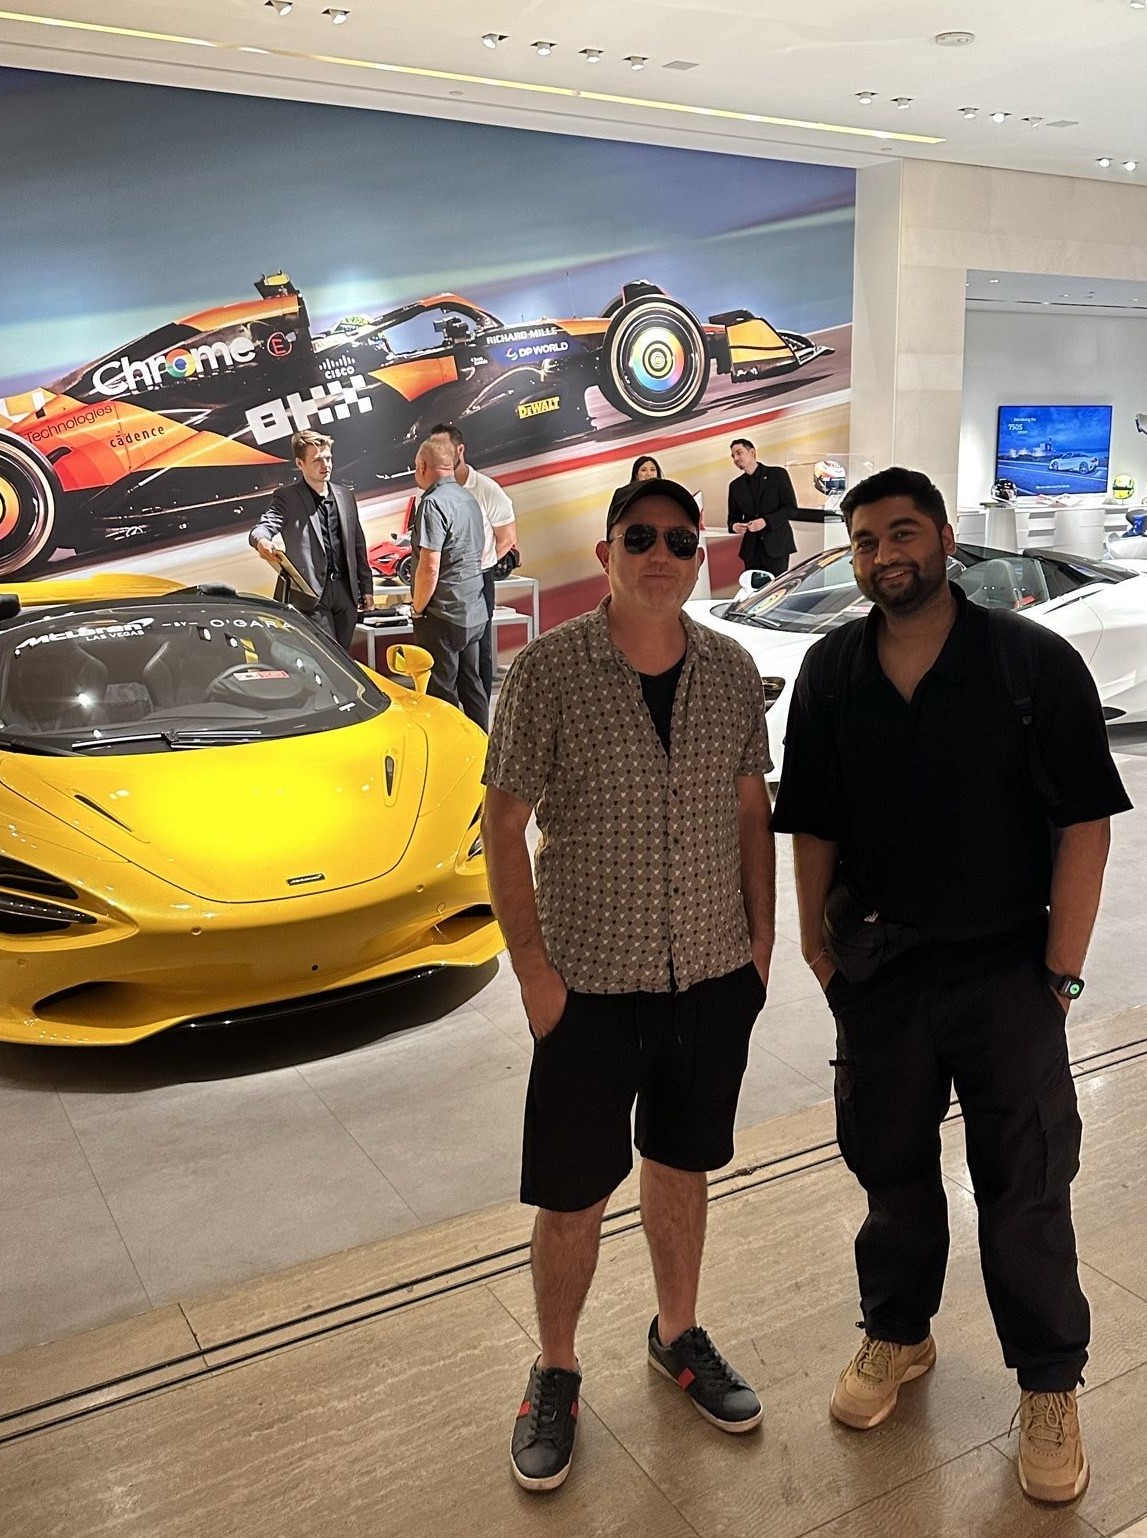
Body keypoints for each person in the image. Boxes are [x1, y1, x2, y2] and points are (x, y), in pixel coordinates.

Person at [772, 466, 1131, 1506]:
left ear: (943, 539)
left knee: (1025, 1186)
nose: (886, 554)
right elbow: (815, 823)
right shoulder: (834, 671)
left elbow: (1085, 825)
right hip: (880, 969)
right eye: (866, 540)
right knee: (888, 1168)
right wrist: (816, 947)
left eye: (903, 532)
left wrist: (1062, 969)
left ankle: (1052, 1386)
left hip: (1007, 966)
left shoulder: (1031, 665)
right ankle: (898, 1332)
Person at [483, 475, 776, 1493]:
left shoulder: (734, 672)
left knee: (682, 1165)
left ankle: (678, 1332)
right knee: (572, 1194)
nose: (662, 553)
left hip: (708, 971)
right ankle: (556, 1367)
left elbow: (751, 813)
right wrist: (531, 971)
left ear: (701, 558)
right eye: (641, 536)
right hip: (588, 982)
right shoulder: (548, 671)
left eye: (681, 541)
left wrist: (761, 948)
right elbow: (502, 820)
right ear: (607, 551)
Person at [249, 429, 373, 648]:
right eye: (317, 460)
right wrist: (262, 541)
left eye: (328, 458)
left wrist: (367, 589)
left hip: (346, 593)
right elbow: (263, 527)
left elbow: (357, 545)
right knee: (327, 655)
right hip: (313, 595)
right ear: (300, 463)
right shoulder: (287, 497)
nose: (326, 465)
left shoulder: (345, 495)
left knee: (343, 657)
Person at [427, 423, 518, 700]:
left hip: (479, 580)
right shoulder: (431, 492)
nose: (438, 455)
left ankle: (480, 723)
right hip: (446, 584)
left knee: (480, 652)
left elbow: (507, 537)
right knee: (447, 658)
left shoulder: (487, 489)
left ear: (460, 450)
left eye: (443, 448)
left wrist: (479, 565)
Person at [407, 436, 489, 729]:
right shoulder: (468, 499)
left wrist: (417, 608)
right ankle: (484, 750)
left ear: (422, 465)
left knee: (441, 694)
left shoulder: (432, 503)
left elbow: (429, 566)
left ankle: (449, 757)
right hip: (473, 611)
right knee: (473, 686)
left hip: (441, 615)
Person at [727, 437, 797, 577]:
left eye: (739, 453)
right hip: (752, 551)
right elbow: (732, 518)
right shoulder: (735, 486)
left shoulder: (777, 475)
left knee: (776, 591)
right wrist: (734, 526)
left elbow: (790, 509)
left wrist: (765, 521)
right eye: (733, 456)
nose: (736, 458)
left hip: (776, 547)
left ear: (752, 452)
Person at [606, 454, 663, 520]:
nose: (649, 474)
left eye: (652, 470)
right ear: (636, 475)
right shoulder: (623, 494)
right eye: (643, 470)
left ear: (657, 474)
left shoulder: (666, 492)